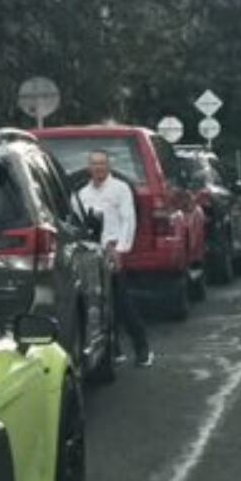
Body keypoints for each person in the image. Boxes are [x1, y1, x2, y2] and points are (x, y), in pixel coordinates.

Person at [75, 149, 152, 368]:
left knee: (123, 303)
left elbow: (129, 220)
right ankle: (113, 350)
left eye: (102, 163)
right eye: (94, 164)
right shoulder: (81, 194)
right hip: (91, 255)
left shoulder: (120, 189)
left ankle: (142, 349)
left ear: (108, 166)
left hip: (112, 251)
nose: (98, 168)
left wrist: (120, 249)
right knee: (98, 306)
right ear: (89, 167)